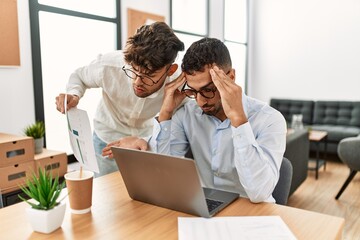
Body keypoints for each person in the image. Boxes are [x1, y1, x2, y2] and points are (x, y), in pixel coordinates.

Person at [148, 37, 287, 203]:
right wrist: (165, 113)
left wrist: (238, 120)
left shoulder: (269, 119)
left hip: (254, 213)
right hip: (205, 207)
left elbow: (259, 192)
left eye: (208, 90)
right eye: (193, 91)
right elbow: (164, 176)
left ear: (231, 76)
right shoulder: (187, 114)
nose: (200, 101)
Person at [55, 22, 184, 176]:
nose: (137, 82)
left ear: (170, 70)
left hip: (143, 143)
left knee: (141, 195)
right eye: (134, 71)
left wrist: (146, 140)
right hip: (106, 140)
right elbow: (80, 76)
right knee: (105, 195)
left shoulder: (179, 85)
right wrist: (74, 94)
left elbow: (181, 127)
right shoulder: (109, 65)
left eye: (148, 76)